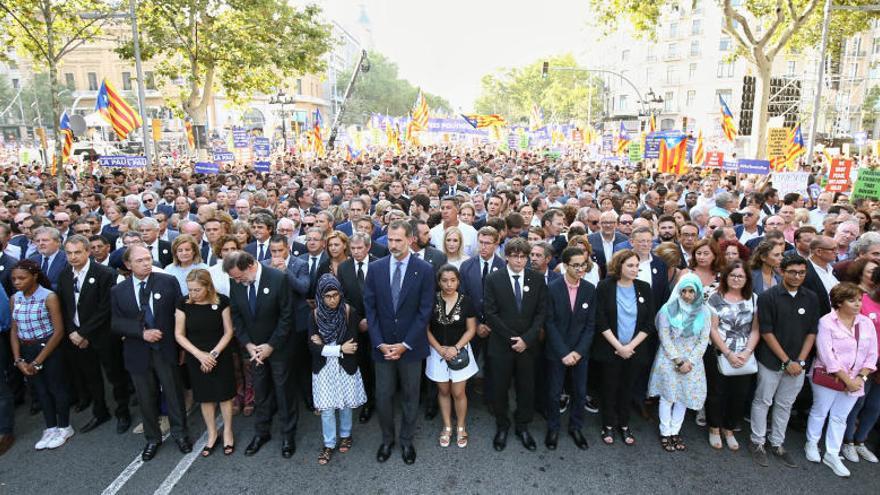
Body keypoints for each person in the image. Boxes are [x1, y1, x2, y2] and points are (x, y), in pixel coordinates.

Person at [363, 219, 434, 465]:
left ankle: (406, 441)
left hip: (410, 348)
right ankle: (386, 440)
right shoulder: (376, 268)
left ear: (410, 239)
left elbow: (425, 312)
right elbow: (370, 309)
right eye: (390, 240)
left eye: (398, 240)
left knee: (410, 395)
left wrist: (405, 344)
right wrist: (380, 342)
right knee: (383, 396)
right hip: (382, 347)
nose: (393, 245)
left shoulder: (424, 269)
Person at [111, 245, 191, 461]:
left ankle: (180, 434)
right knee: (146, 397)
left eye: (148, 258)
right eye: (140, 260)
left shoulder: (167, 282)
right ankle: (152, 438)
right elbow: (116, 323)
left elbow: (180, 314)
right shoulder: (119, 291)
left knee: (174, 393)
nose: (146, 263)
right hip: (138, 351)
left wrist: (182, 347)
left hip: (166, 349)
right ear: (128, 265)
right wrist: (141, 333)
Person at [749, 254, 820, 469]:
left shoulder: (811, 297)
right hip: (771, 360)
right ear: (782, 271)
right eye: (792, 272)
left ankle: (777, 443)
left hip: (797, 364)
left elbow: (811, 332)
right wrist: (787, 360)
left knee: (785, 404)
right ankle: (757, 441)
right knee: (763, 401)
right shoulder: (768, 297)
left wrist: (799, 360)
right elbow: (766, 331)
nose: (797, 276)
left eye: (801, 272)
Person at [224, 251, 296, 458]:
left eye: (239, 276)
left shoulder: (278, 278)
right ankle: (261, 433)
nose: (237, 281)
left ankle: (287, 436)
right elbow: (236, 315)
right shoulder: (236, 281)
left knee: (283, 394)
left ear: (251, 266)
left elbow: (286, 316)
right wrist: (247, 344)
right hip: (254, 351)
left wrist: (271, 346)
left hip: (278, 348)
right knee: (261, 393)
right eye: (234, 279)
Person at [57, 235, 130, 435]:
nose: (73, 257)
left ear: (88, 252)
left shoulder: (105, 274)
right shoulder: (64, 275)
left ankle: (122, 412)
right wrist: (73, 332)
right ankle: (100, 411)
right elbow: (65, 307)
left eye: (77, 252)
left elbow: (105, 308)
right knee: (91, 376)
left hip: (104, 335)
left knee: (115, 375)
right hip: (78, 338)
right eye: (69, 253)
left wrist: (83, 332)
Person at [804, 283, 878, 477]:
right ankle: (811, 443)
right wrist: (848, 380)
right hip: (829, 376)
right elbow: (827, 356)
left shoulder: (866, 323)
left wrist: (861, 377)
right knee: (820, 410)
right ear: (838, 302)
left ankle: (832, 453)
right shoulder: (826, 322)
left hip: (857, 379)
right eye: (852, 300)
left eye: (859, 300)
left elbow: (872, 354)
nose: (857, 304)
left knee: (840, 417)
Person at [484, 238, 547, 452]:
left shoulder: (537, 279)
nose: (519, 260)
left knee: (526, 388)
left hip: (527, 347)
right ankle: (502, 425)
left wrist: (526, 340)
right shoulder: (494, 279)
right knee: (499, 389)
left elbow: (541, 313)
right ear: (507, 256)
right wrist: (512, 339)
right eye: (515, 256)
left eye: (523, 256)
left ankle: (523, 426)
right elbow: (490, 313)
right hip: (501, 345)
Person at [593, 249, 655, 446]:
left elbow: (648, 322)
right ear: (619, 266)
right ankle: (608, 424)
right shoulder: (604, 287)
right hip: (611, 348)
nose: (635, 269)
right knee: (609, 387)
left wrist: (630, 347)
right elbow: (600, 320)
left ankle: (625, 424)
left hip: (635, 351)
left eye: (637, 266)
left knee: (628, 389)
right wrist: (619, 346)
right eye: (630, 265)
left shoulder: (644, 288)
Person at [9, 260, 71, 450]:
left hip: (48, 347)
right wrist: (18, 359)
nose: (17, 282)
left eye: (22, 278)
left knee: (56, 387)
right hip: (26, 348)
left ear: (34, 276)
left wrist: (38, 361)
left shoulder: (49, 296)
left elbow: (58, 331)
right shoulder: (15, 299)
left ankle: (64, 426)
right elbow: (14, 330)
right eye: (14, 279)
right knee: (40, 390)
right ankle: (50, 427)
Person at [174, 269, 236, 457]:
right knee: (205, 397)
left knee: (224, 395)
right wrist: (200, 355)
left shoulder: (222, 301)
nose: (192, 294)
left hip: (220, 354)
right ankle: (211, 433)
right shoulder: (183, 304)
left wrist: (214, 354)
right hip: (196, 356)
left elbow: (229, 331)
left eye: (196, 290)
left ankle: (227, 432)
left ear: (207, 287)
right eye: (190, 289)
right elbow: (179, 334)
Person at [648, 273, 712, 452]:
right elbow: (664, 336)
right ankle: (665, 431)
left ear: (698, 292)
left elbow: (704, 338)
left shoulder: (704, 311)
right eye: (684, 291)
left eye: (692, 291)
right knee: (667, 396)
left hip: (693, 360)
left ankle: (675, 431)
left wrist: (690, 361)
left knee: (684, 396)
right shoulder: (667, 309)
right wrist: (678, 360)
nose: (688, 295)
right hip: (669, 357)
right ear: (679, 290)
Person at [308, 274, 367, 465]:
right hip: (324, 369)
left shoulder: (349, 312)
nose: (333, 300)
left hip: (345, 367)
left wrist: (326, 347)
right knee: (326, 408)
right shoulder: (314, 315)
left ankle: (346, 434)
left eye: (335, 295)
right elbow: (313, 347)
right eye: (328, 296)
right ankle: (329, 443)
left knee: (345, 404)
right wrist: (339, 348)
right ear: (320, 297)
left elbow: (353, 344)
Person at [544, 247, 596, 451]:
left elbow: (591, 325)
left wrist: (578, 352)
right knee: (554, 392)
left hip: (580, 352)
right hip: (557, 351)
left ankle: (576, 427)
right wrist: (564, 352)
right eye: (576, 265)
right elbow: (549, 323)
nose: (580, 269)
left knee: (580, 392)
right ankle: (553, 428)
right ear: (565, 265)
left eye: (583, 264)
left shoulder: (590, 289)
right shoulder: (551, 288)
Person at [705, 261, 760, 451]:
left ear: (747, 279)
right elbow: (712, 328)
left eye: (741, 276)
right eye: (733, 275)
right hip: (720, 352)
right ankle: (713, 428)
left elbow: (755, 329)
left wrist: (746, 352)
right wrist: (728, 353)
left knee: (739, 394)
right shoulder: (714, 298)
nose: (736, 279)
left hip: (744, 354)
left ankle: (729, 429)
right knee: (717, 392)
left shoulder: (753, 299)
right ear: (726, 277)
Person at [426, 265, 478, 448]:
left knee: (458, 392)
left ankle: (461, 426)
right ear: (439, 282)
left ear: (458, 281)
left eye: (453, 280)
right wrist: (440, 349)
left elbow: (472, 329)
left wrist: (456, 348)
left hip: (460, 351)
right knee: (444, 391)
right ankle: (447, 426)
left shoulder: (467, 301)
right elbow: (425, 329)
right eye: (444, 280)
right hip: (436, 352)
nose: (449, 284)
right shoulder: (431, 300)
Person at [842, 266, 880, 463]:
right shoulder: (861, 302)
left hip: (879, 365)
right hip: (862, 364)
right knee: (857, 402)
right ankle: (847, 441)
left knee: (875, 406)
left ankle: (860, 441)